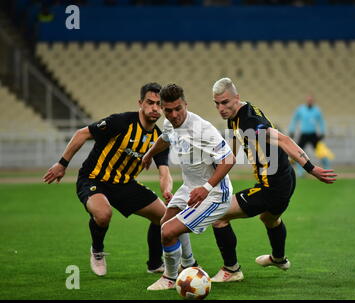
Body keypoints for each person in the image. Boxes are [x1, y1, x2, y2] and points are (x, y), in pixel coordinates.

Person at [210, 78, 337, 282]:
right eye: (216, 103)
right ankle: (279, 259)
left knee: (218, 217)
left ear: (237, 98)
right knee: (269, 218)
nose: (221, 108)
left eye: (225, 102)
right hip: (284, 178)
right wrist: (218, 167)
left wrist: (311, 169)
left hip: (273, 186)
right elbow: (232, 148)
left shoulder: (249, 122)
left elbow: (284, 140)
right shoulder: (236, 115)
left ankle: (231, 270)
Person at [43, 83, 173, 277]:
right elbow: (82, 133)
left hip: (124, 185)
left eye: (159, 104)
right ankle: (97, 250)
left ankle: (155, 263)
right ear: (140, 103)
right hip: (93, 178)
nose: (155, 108)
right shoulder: (120, 122)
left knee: (164, 218)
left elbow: (164, 172)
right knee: (103, 214)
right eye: (150, 102)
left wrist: (167, 190)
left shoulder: (159, 138)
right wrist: (62, 164)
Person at [142, 84, 235, 291]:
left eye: (178, 109)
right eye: (168, 110)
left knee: (168, 231)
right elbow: (165, 138)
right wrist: (149, 154)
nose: (174, 115)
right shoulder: (169, 124)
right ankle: (190, 264)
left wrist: (206, 188)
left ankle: (169, 277)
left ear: (186, 104)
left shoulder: (202, 129)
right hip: (190, 187)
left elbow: (229, 159)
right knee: (165, 222)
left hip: (215, 193)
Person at [288, 95, 330, 175]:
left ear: (313, 101)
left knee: (321, 151)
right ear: (306, 101)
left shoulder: (317, 110)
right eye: (308, 100)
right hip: (304, 134)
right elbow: (294, 119)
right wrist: (292, 130)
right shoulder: (301, 109)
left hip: (313, 134)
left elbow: (321, 121)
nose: (309, 101)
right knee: (299, 153)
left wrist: (322, 131)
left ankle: (327, 167)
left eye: (311, 100)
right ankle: (300, 171)